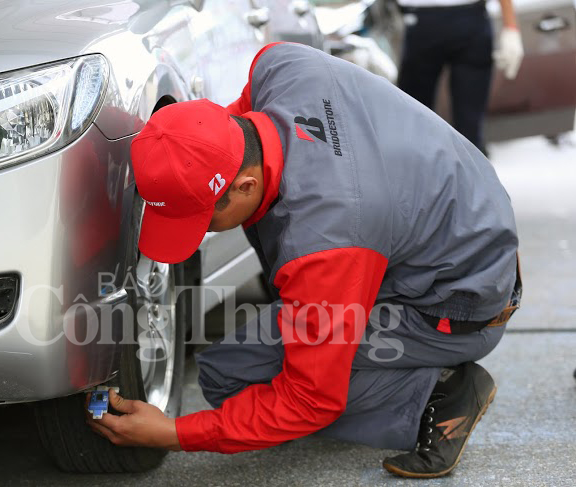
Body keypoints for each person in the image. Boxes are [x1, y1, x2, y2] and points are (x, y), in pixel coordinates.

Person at [87, 43, 521, 478]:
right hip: (466, 226)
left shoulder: (326, 239)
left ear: (245, 185)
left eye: (201, 219)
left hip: (455, 309)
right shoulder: (283, 66)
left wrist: (175, 434)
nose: (202, 233)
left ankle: (436, 393)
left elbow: (309, 400)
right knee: (248, 355)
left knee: (234, 378)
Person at [396, 0, 523, 153]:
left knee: (469, 132)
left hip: (467, 20)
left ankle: (471, 173)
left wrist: (511, 27)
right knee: (415, 123)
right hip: (425, 21)